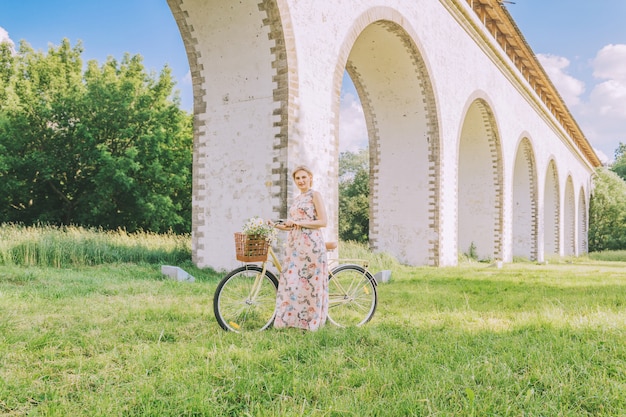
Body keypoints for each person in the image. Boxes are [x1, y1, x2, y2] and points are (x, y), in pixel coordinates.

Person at [272, 165, 328, 331]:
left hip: (311, 245)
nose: (301, 181)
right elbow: (292, 226)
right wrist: (275, 225)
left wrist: (299, 223)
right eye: (298, 178)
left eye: (304, 177)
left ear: (310, 178)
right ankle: (294, 320)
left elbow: (323, 222)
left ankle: (311, 321)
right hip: (295, 245)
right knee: (294, 282)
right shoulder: (296, 199)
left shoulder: (314, 195)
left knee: (310, 284)